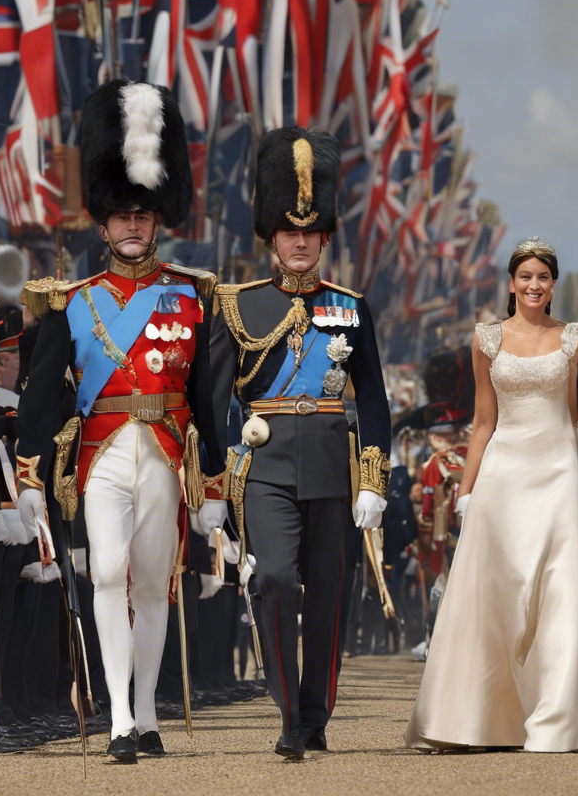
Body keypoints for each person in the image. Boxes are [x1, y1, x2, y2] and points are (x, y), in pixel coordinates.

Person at [15, 80, 226, 761]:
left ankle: (146, 710)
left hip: (165, 449)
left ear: (157, 219)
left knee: (152, 582)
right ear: (101, 224)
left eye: (143, 214)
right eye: (121, 216)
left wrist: (215, 486)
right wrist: (28, 476)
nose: (133, 225)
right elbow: (43, 398)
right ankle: (116, 718)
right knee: (106, 570)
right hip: (101, 451)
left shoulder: (193, 297)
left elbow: (209, 395)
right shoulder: (69, 302)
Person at [405, 238, 578, 752]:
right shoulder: (487, 339)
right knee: (498, 592)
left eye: (543, 276)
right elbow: (482, 422)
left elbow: (571, 415)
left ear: (553, 283)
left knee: (564, 590)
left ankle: (562, 718)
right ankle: (480, 720)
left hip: (558, 471)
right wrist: (467, 492)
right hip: (501, 475)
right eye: (525, 276)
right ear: (511, 283)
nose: (534, 285)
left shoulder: (575, 337)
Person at [210, 127, 391, 759]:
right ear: (272, 236)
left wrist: (372, 480)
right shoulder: (238, 306)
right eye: (289, 233)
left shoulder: (349, 306)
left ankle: (315, 713)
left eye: (310, 234)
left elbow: (372, 399)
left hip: (333, 468)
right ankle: (289, 711)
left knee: (330, 600)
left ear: (322, 238)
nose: (299, 243)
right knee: (278, 581)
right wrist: (211, 477)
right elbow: (213, 400)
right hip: (264, 467)